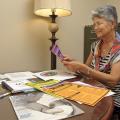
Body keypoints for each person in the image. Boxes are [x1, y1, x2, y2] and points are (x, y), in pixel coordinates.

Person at [62, 5, 120, 119]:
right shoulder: (95, 45)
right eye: (94, 24)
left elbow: (113, 81)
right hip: (94, 93)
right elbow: (86, 71)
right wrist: (74, 64)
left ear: (112, 24)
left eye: (99, 23)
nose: (95, 27)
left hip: (113, 102)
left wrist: (84, 68)